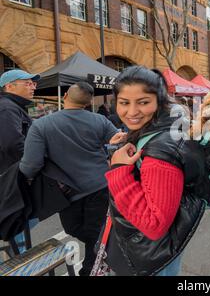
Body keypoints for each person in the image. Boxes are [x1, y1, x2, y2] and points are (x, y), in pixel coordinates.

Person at [102, 66, 207, 276]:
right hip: (153, 253)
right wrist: (117, 150)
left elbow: (154, 225)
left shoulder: (159, 153)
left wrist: (119, 170)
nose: (131, 112)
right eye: (124, 103)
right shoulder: (166, 128)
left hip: (150, 260)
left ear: (159, 101)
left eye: (143, 102)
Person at [19, 82, 125, 276]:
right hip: (100, 185)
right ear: (90, 101)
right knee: (92, 231)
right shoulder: (99, 120)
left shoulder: (42, 124)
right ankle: (106, 246)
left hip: (66, 191)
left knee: (76, 229)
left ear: (65, 95)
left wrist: (23, 179)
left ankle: (91, 268)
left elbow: (30, 165)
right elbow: (118, 139)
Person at [0, 69, 40, 254]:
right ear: (9, 86)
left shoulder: (11, 106)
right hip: (12, 177)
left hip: (12, 176)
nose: (33, 86)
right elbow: (13, 144)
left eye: (33, 83)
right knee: (17, 225)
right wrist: (31, 166)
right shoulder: (7, 107)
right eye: (28, 83)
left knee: (19, 224)